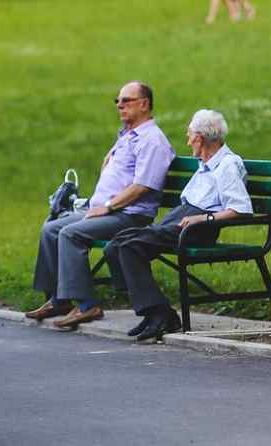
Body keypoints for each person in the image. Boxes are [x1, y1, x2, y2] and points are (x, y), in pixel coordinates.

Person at [27, 82, 175, 329]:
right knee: (51, 228)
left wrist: (108, 206)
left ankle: (87, 305)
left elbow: (143, 186)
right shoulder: (128, 136)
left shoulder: (153, 140)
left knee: (70, 233)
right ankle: (59, 299)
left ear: (144, 104)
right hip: (107, 210)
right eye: (117, 100)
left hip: (129, 215)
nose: (119, 105)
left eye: (126, 100)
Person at [104, 109, 252, 342]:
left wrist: (203, 219)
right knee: (116, 244)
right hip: (182, 219)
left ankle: (160, 314)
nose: (187, 140)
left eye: (189, 135)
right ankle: (153, 310)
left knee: (130, 247)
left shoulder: (227, 165)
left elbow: (240, 208)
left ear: (200, 138)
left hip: (197, 228)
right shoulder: (206, 162)